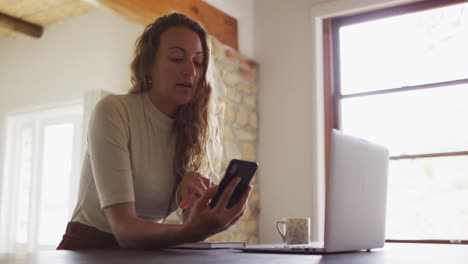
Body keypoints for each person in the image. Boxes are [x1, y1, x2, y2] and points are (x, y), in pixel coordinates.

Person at [57, 12, 252, 250]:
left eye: (198, 62)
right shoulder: (113, 111)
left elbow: (177, 224)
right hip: (88, 251)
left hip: (143, 254)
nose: (190, 70)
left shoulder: (190, 130)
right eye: (176, 58)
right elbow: (125, 230)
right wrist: (190, 231)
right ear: (148, 65)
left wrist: (193, 203)